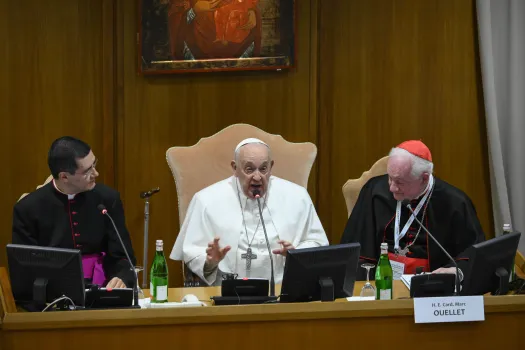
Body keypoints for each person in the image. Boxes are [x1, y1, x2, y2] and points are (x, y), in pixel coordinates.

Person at [170, 138, 329, 285]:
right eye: (249, 169)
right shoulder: (206, 200)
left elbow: (317, 242)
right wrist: (210, 262)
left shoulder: (297, 197)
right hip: (227, 294)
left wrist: (296, 254)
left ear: (271, 167)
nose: (258, 177)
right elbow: (192, 251)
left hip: (284, 292)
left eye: (263, 169)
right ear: (235, 168)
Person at [340, 140, 485, 281]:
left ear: (424, 178)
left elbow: (473, 254)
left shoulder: (455, 202)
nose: (391, 188)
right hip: (381, 280)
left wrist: (457, 271)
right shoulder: (375, 191)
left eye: (400, 182)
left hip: (430, 285)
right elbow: (355, 247)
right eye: (390, 178)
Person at [12, 137, 136, 289]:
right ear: (64, 176)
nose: (95, 173)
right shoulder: (28, 208)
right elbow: (26, 267)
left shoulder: (108, 198)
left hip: (102, 288)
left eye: (94, 164)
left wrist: (121, 277)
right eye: (87, 171)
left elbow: (123, 255)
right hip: (52, 293)